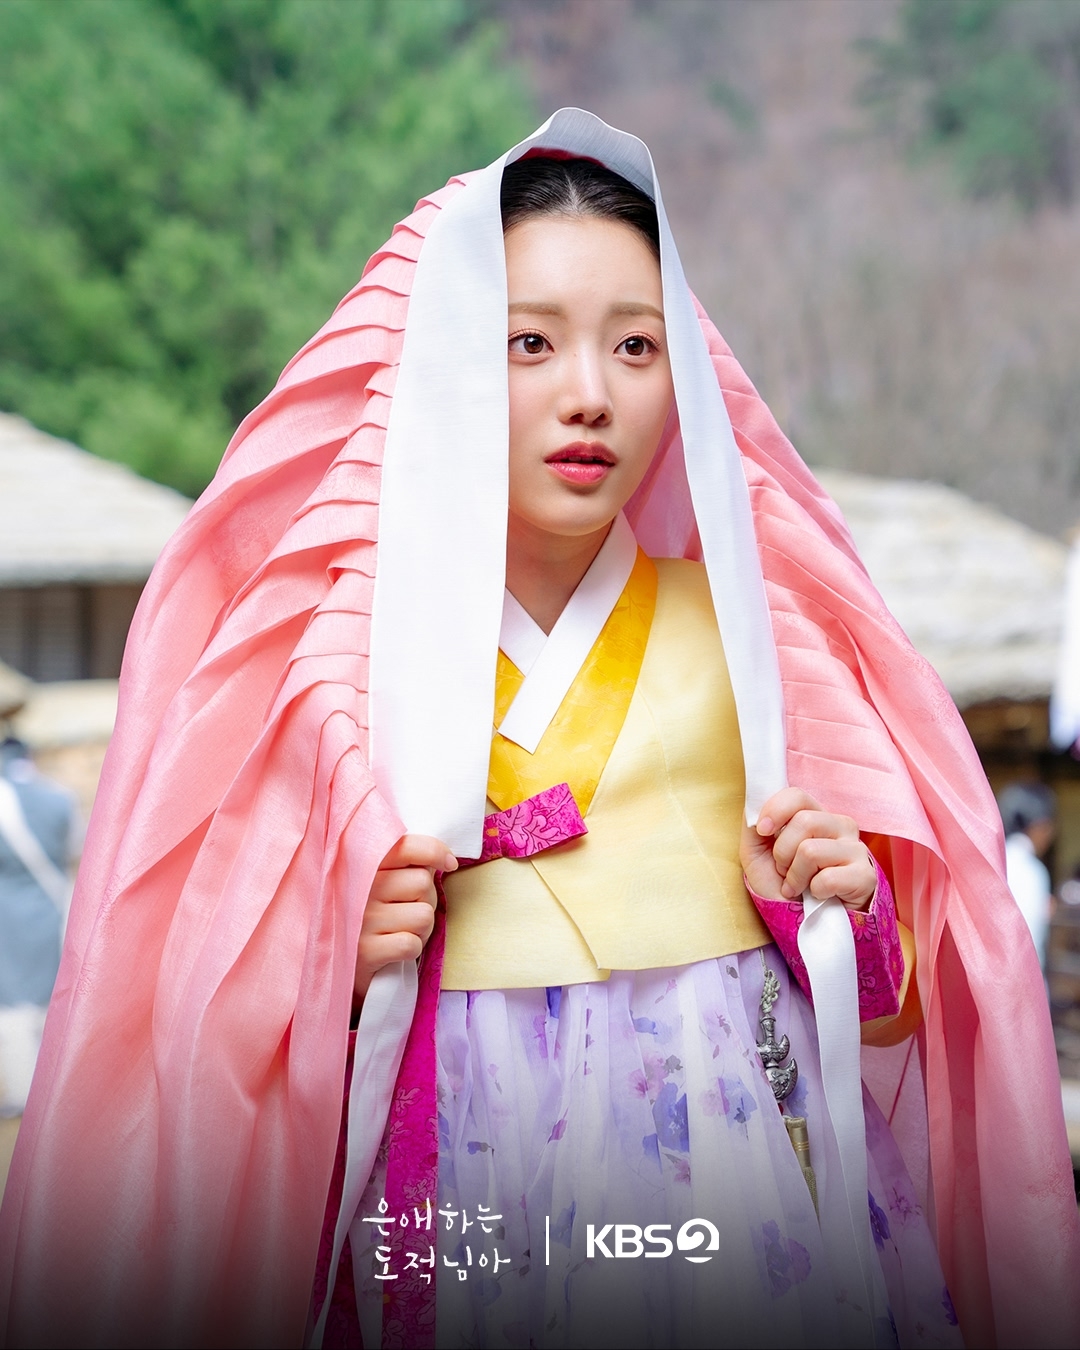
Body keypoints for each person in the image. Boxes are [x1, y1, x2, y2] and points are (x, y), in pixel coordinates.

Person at [0, 110, 1076, 1350]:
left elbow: (883, 1013)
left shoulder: (762, 637)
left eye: (636, 345)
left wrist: (844, 910)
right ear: (443, 360)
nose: (590, 395)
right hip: (456, 1185)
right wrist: (335, 961)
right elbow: (202, 1023)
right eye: (529, 342)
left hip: (733, 1177)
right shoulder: (340, 666)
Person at [0, 736, 72, 1117]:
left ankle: (23, 1094)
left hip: (6, 918)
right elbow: (77, 851)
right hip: (50, 907)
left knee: (12, 1004)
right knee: (53, 996)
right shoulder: (59, 797)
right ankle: (56, 1091)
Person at [998, 781, 1056, 974]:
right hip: (1022, 977)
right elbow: (1030, 940)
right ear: (1039, 825)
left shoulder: (997, 861)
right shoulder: (1033, 871)